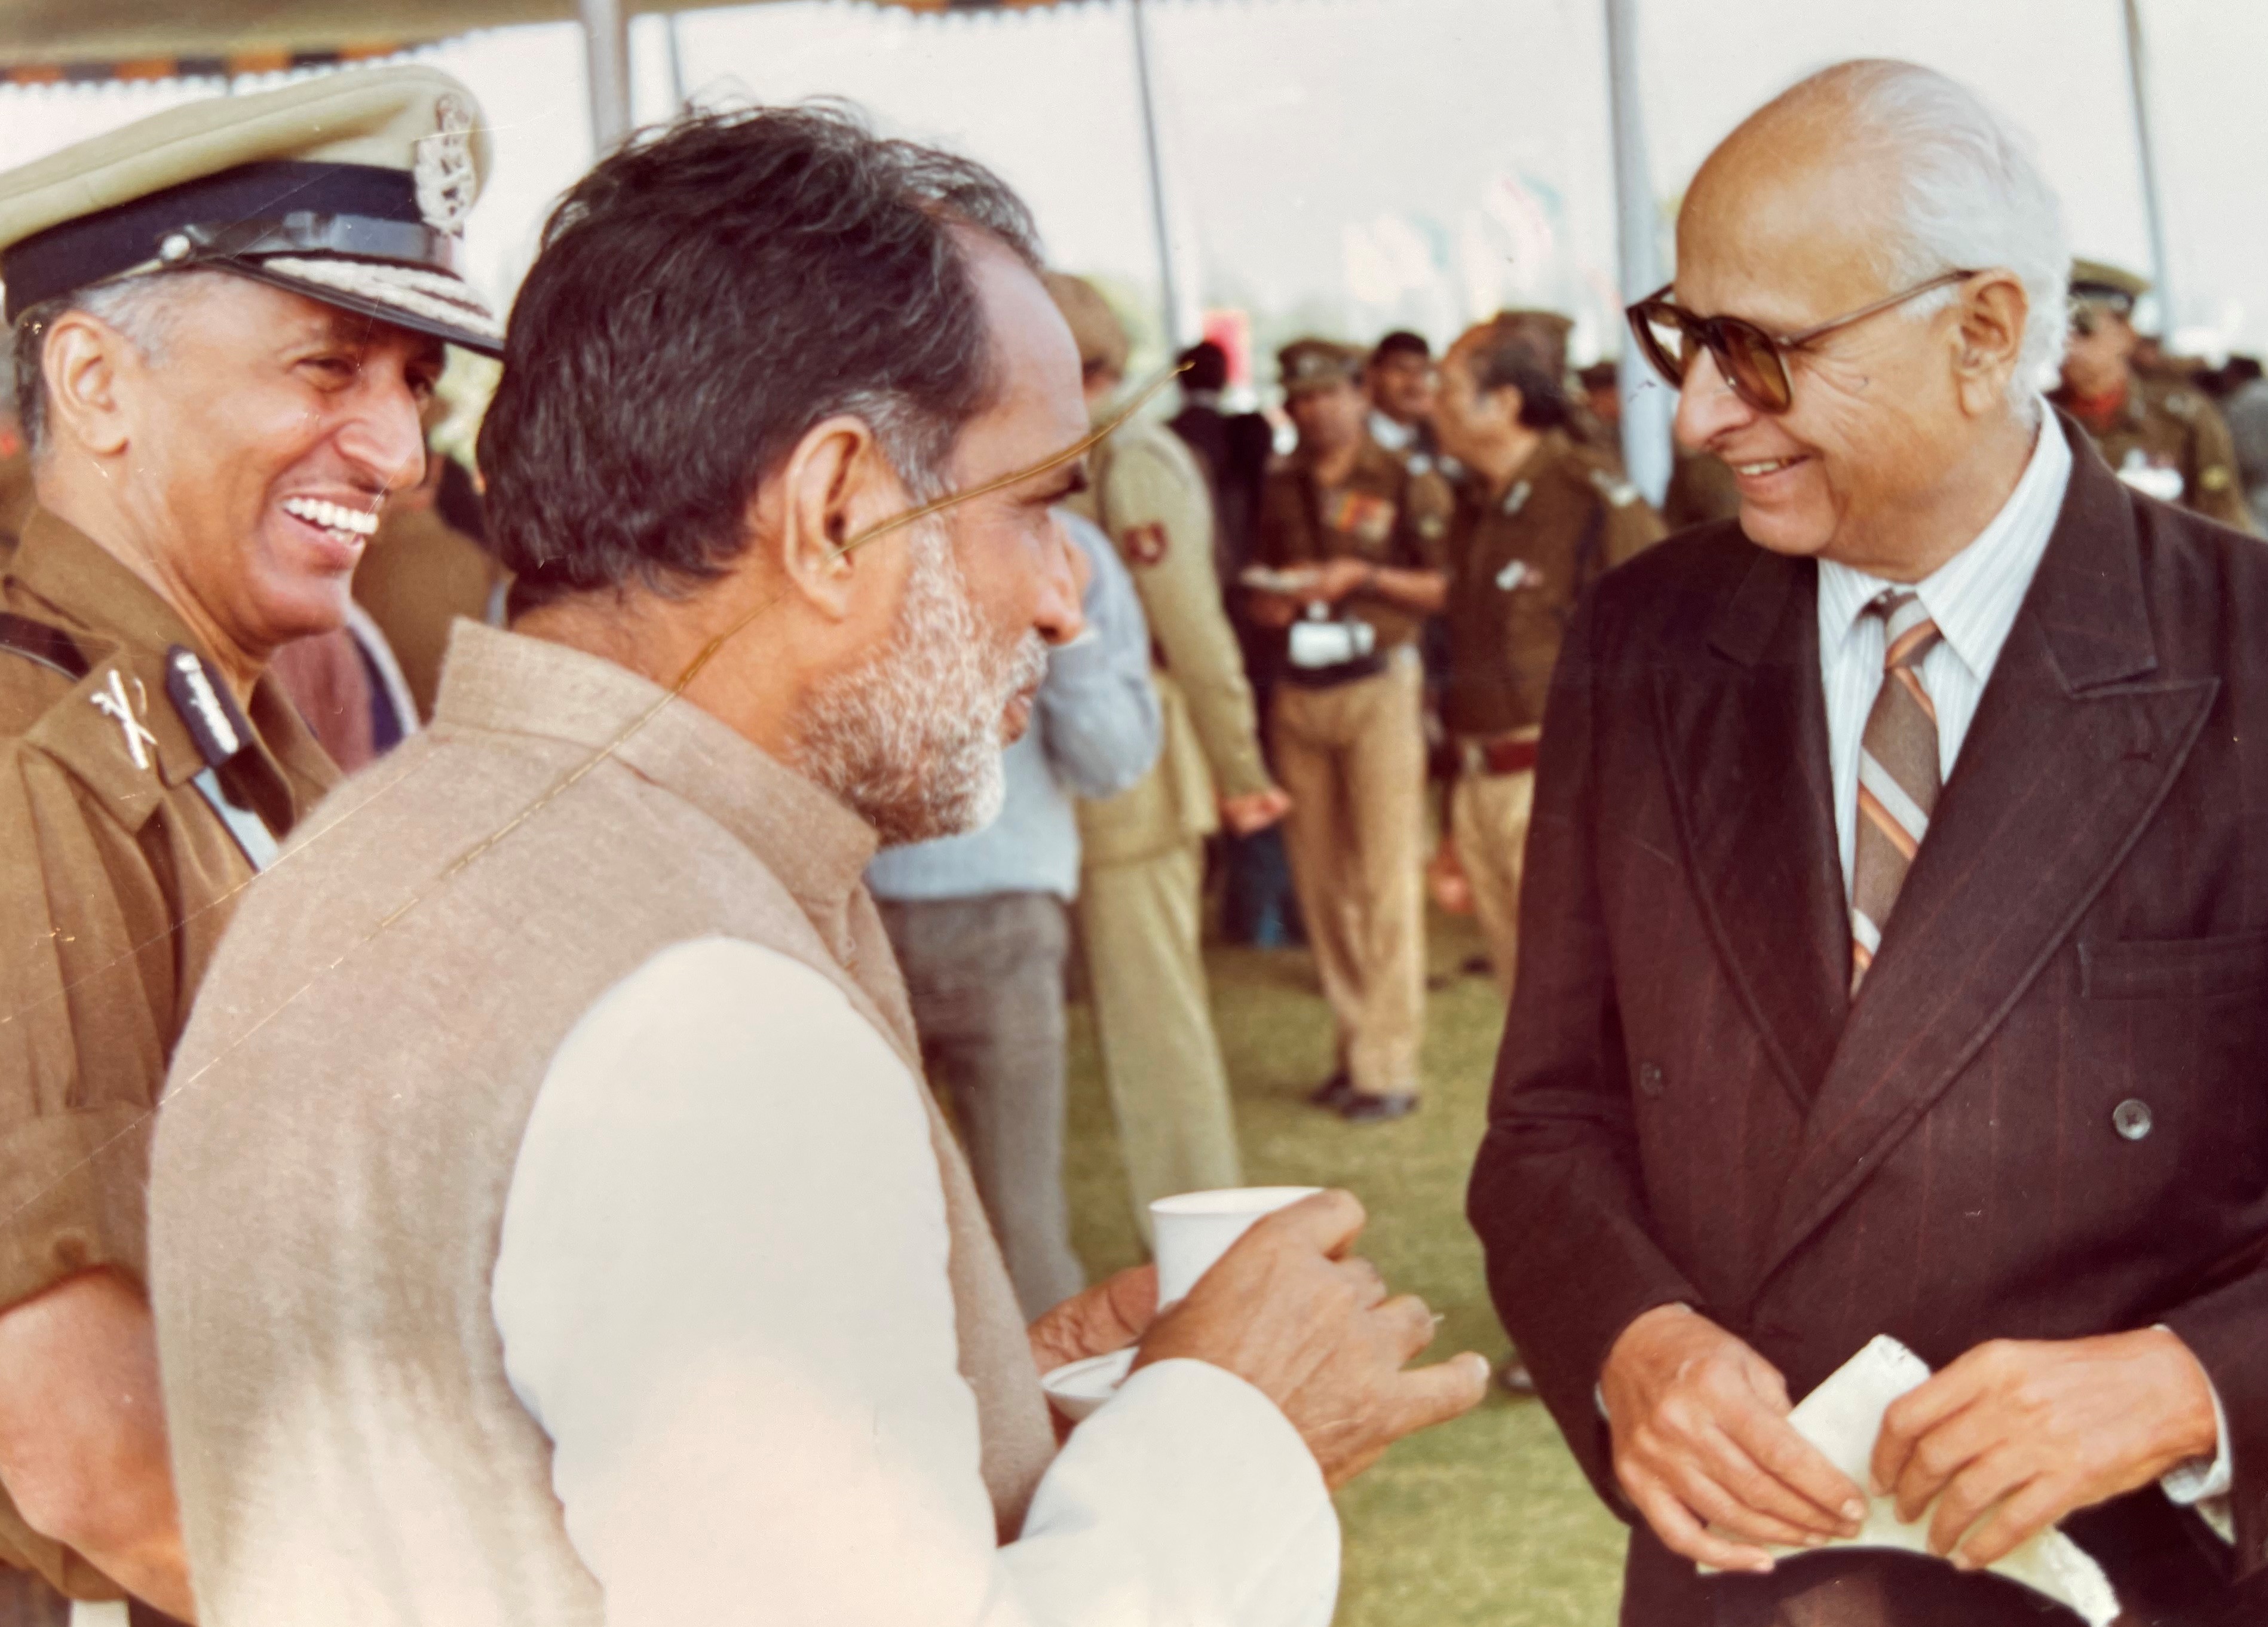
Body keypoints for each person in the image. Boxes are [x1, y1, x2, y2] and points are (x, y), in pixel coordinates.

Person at [148, 108, 1487, 1626]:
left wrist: (978, 1397)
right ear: (836, 509)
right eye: (1039, 505)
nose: (1064, 600)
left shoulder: (379, 850)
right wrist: (1241, 1429)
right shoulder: (704, 1006)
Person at [1470, 59, 2264, 1624]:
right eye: (1685, 339)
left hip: (2142, 1582)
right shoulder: (1642, 638)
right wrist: (1631, 1337)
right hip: (1748, 1578)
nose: (1699, 412)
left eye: (1761, 352)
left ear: (1980, 333)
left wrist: (2190, 1384)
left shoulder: (2244, 650)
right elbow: (1546, 1118)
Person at [0, 66, 500, 1624]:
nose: (399, 450)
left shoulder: (215, 716)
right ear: (96, 385)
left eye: (411, 381)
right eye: (326, 366)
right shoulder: (34, 761)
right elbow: (85, 1449)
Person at [869, 508, 1160, 1316]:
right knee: (864, 1224)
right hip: (849, 920)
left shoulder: (1066, 546)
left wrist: (1068, 633)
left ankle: (1040, 1395)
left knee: (1019, 1223)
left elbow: (1115, 761)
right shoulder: (844, 521)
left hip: (1002, 926)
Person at [1042, 272, 1286, 1232]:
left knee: (1155, 1027)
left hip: (1134, 773)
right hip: (1079, 763)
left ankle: (1206, 1243)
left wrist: (1243, 770)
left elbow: (1192, 629)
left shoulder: (1130, 459)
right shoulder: (1084, 451)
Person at [1426, 315, 1664, 997]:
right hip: (1483, 783)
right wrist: (1457, 816)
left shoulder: (1589, 498)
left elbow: (1662, 659)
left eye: (1447, 387)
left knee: (1589, 1008)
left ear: (1503, 403)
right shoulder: (1473, 505)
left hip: (1563, 789)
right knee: (1526, 1004)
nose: (1432, 404)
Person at [1251, 339, 1448, 1122]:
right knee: (1321, 880)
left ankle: (1388, 1064)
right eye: (1301, 397)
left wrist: (1363, 576)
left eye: (1329, 393)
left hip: (1377, 683)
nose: (1316, 410)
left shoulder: (1405, 477)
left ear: (1360, 395)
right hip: (1301, 685)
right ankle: (1352, 1046)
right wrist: (1272, 600)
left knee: (1385, 877)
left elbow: (1445, 585)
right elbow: (1262, 572)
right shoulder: (1281, 481)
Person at [2051, 258, 2257, 534]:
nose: (2068, 346)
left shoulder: (2182, 420)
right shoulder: (2039, 422)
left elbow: (2225, 526)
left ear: (2126, 334)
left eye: (2083, 330)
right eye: (2056, 331)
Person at [1165, 338, 1272, 584]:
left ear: (1179, 381)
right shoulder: (1248, 431)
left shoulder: (1163, 437)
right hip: (1241, 563)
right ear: (1225, 378)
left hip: (1184, 564)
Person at [1363, 330, 1444, 471]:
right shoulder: (1355, 436)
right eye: (1401, 369)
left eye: (1422, 371)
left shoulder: (1437, 439)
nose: (1414, 384)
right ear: (1373, 374)